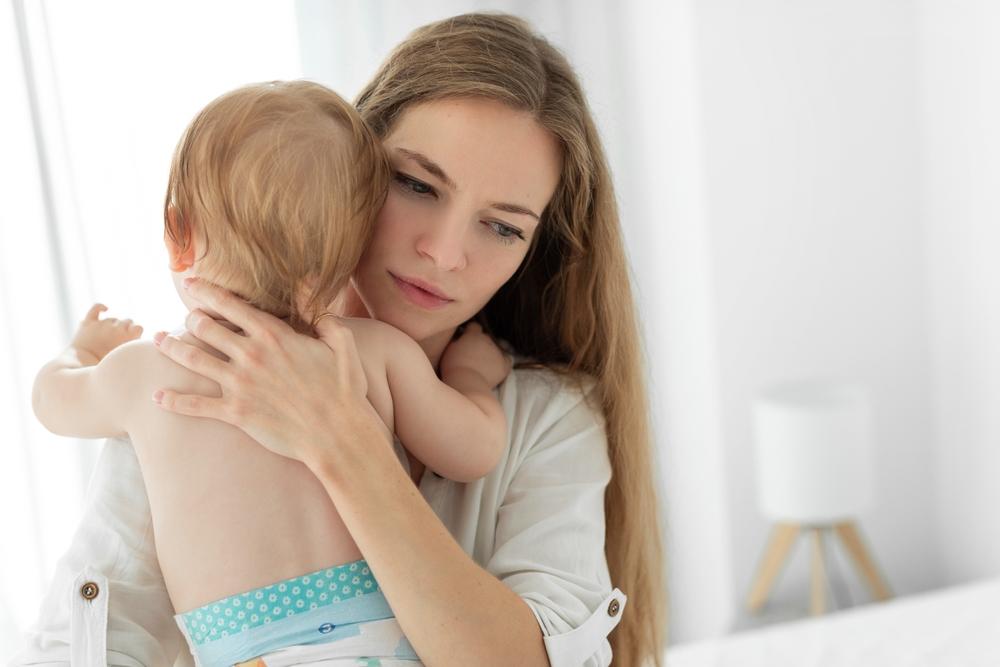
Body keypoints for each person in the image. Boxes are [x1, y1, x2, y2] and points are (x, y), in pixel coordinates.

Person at [12, 12, 666, 667]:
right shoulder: (200, 381)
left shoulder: (548, 417)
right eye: (416, 185)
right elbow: (84, 644)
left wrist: (344, 444)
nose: (443, 253)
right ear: (350, 169)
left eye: (502, 227)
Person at [28, 80, 514, 666]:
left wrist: (81, 351)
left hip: (244, 652)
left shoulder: (144, 372)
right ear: (353, 254)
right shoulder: (373, 353)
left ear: (178, 234)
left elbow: (50, 402)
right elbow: (475, 451)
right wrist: (471, 376)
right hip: (384, 647)